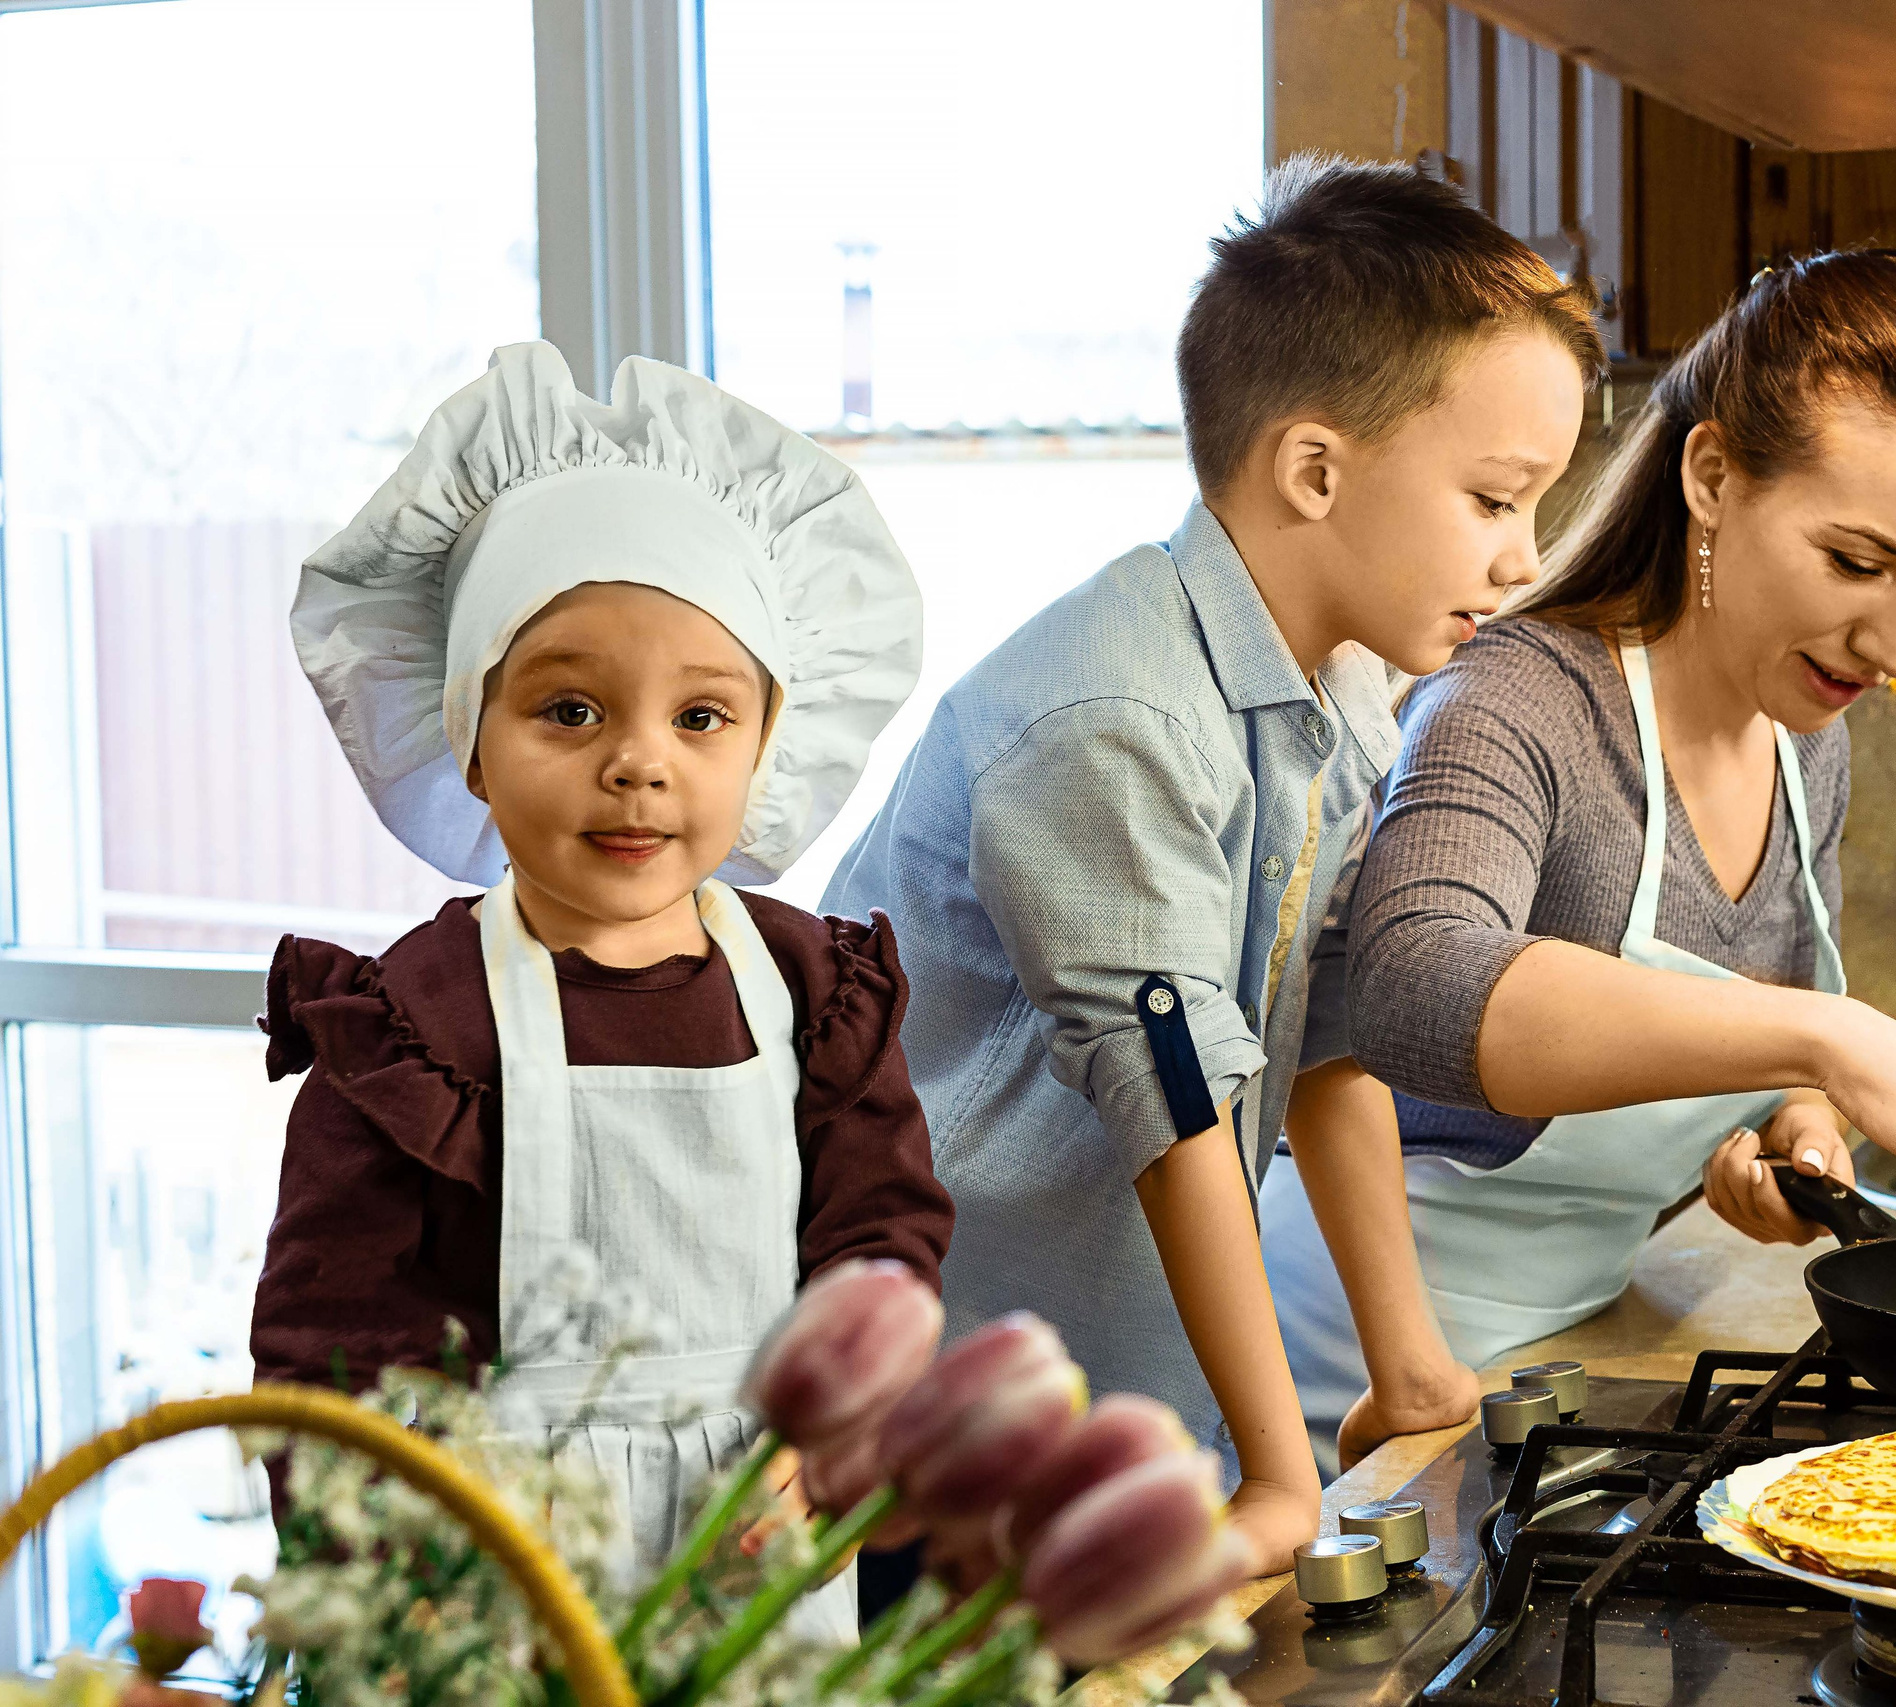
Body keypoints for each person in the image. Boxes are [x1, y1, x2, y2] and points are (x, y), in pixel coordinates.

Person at [824, 156, 1603, 1574]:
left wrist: (1408, 1362)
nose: (1523, 559)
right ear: (1315, 471)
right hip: (937, 1427)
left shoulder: (1338, 691)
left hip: (1113, 1405)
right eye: (1497, 499)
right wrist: (1280, 1469)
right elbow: (1177, 1105)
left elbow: (1325, 1039)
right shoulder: (1111, 719)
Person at [1260, 250, 1896, 1471]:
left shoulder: (1808, 742)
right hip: (1341, 1383)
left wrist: (1795, 1127)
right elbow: (1411, 990)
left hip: (1567, 1352)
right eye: (1857, 564)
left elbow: (1755, 1037)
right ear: (1712, 477)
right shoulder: (1515, 697)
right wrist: (1831, 1041)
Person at [252, 342, 953, 1623]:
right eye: (569, 711)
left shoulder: (816, 993)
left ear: (767, 742)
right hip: (494, 1587)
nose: (638, 763)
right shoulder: (410, 1026)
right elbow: (330, 1353)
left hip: (761, 1557)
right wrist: (384, 1594)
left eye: (700, 717)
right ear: (468, 741)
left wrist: (831, 1446)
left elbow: (881, 1249)